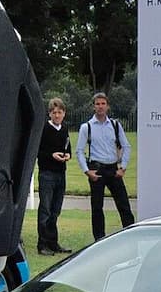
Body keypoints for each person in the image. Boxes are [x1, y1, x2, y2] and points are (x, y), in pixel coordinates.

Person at [78, 93, 135, 240]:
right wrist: (86, 171)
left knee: (124, 205)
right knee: (97, 208)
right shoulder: (87, 127)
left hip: (113, 169)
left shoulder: (115, 125)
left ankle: (131, 236)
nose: (100, 106)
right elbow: (79, 151)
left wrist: (123, 167)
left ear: (107, 106)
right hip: (96, 170)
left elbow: (126, 146)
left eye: (103, 103)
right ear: (93, 106)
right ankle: (99, 239)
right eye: (97, 104)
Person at [36, 97, 72, 255]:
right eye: (54, 112)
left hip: (60, 173)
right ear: (50, 114)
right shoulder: (43, 129)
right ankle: (42, 244)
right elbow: (38, 151)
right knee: (45, 209)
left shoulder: (64, 129)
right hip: (47, 173)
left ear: (64, 113)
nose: (57, 115)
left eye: (60, 112)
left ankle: (53, 242)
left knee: (55, 210)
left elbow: (67, 147)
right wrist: (52, 155)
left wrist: (68, 155)